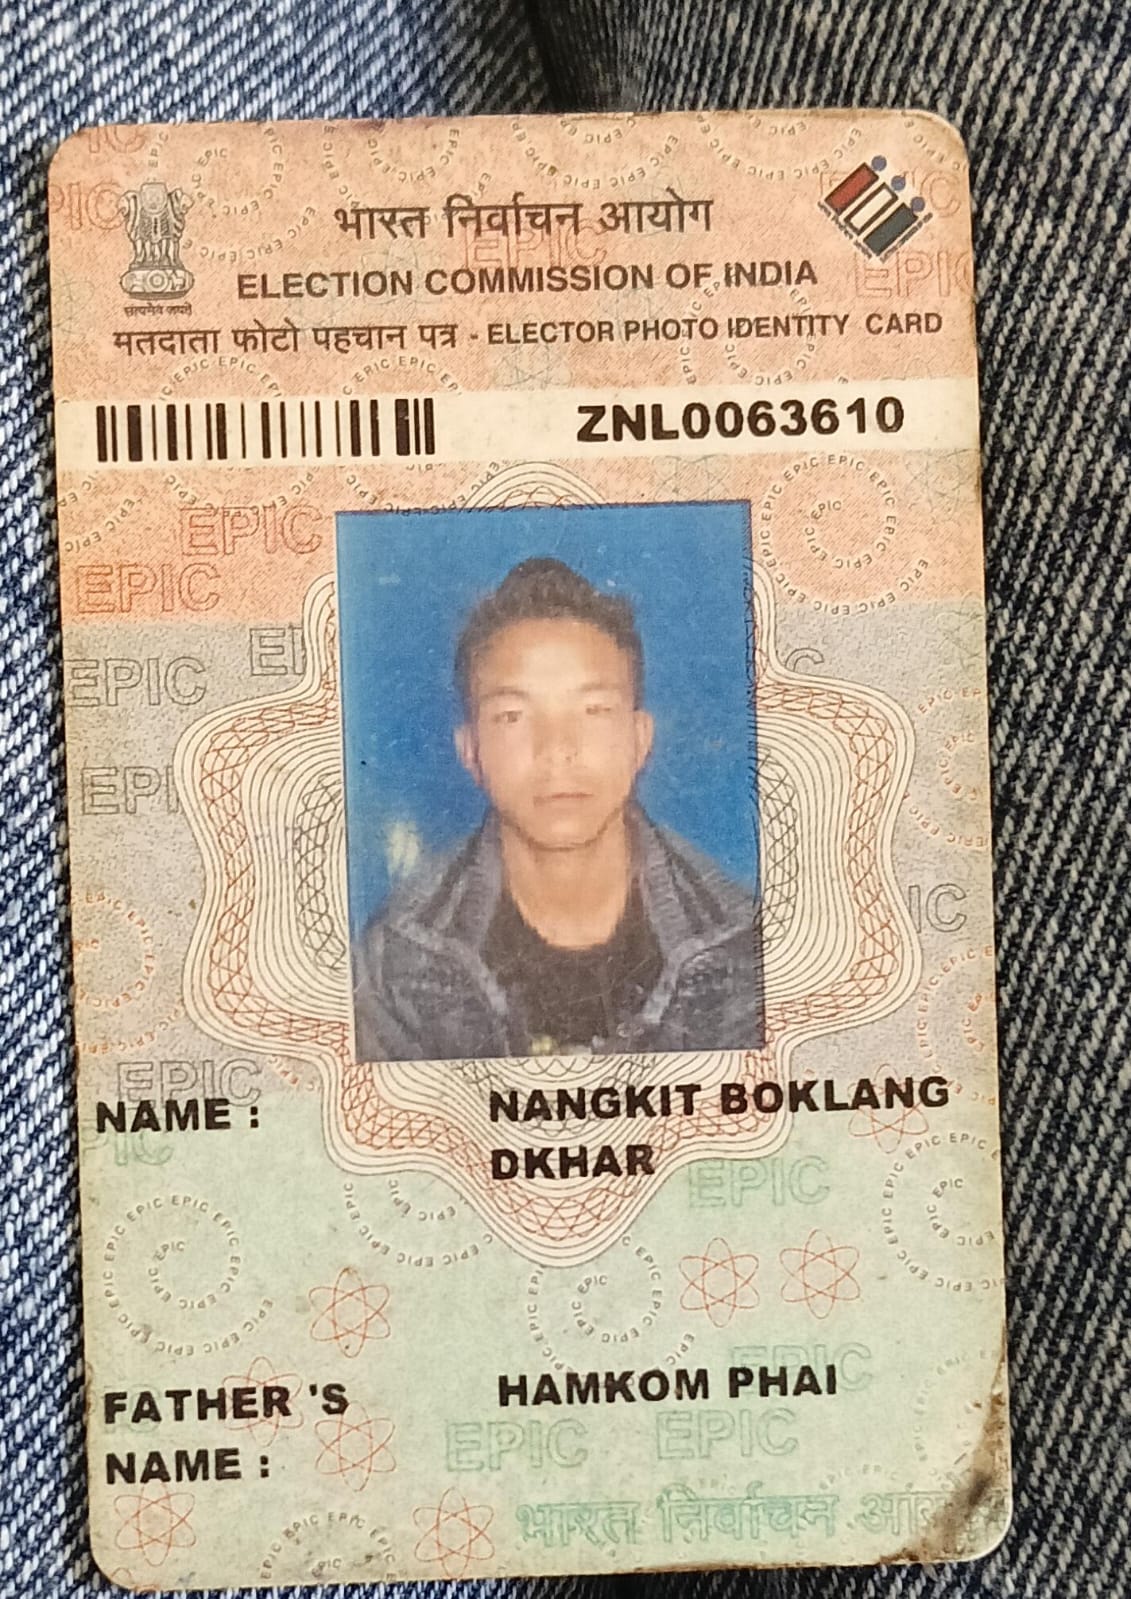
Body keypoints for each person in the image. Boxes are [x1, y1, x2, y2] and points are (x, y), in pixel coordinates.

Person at [352, 556, 764, 1060]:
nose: (557, 750)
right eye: (513, 716)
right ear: (471, 752)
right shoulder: (398, 956)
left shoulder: (741, 942)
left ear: (640, 742)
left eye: (593, 710)